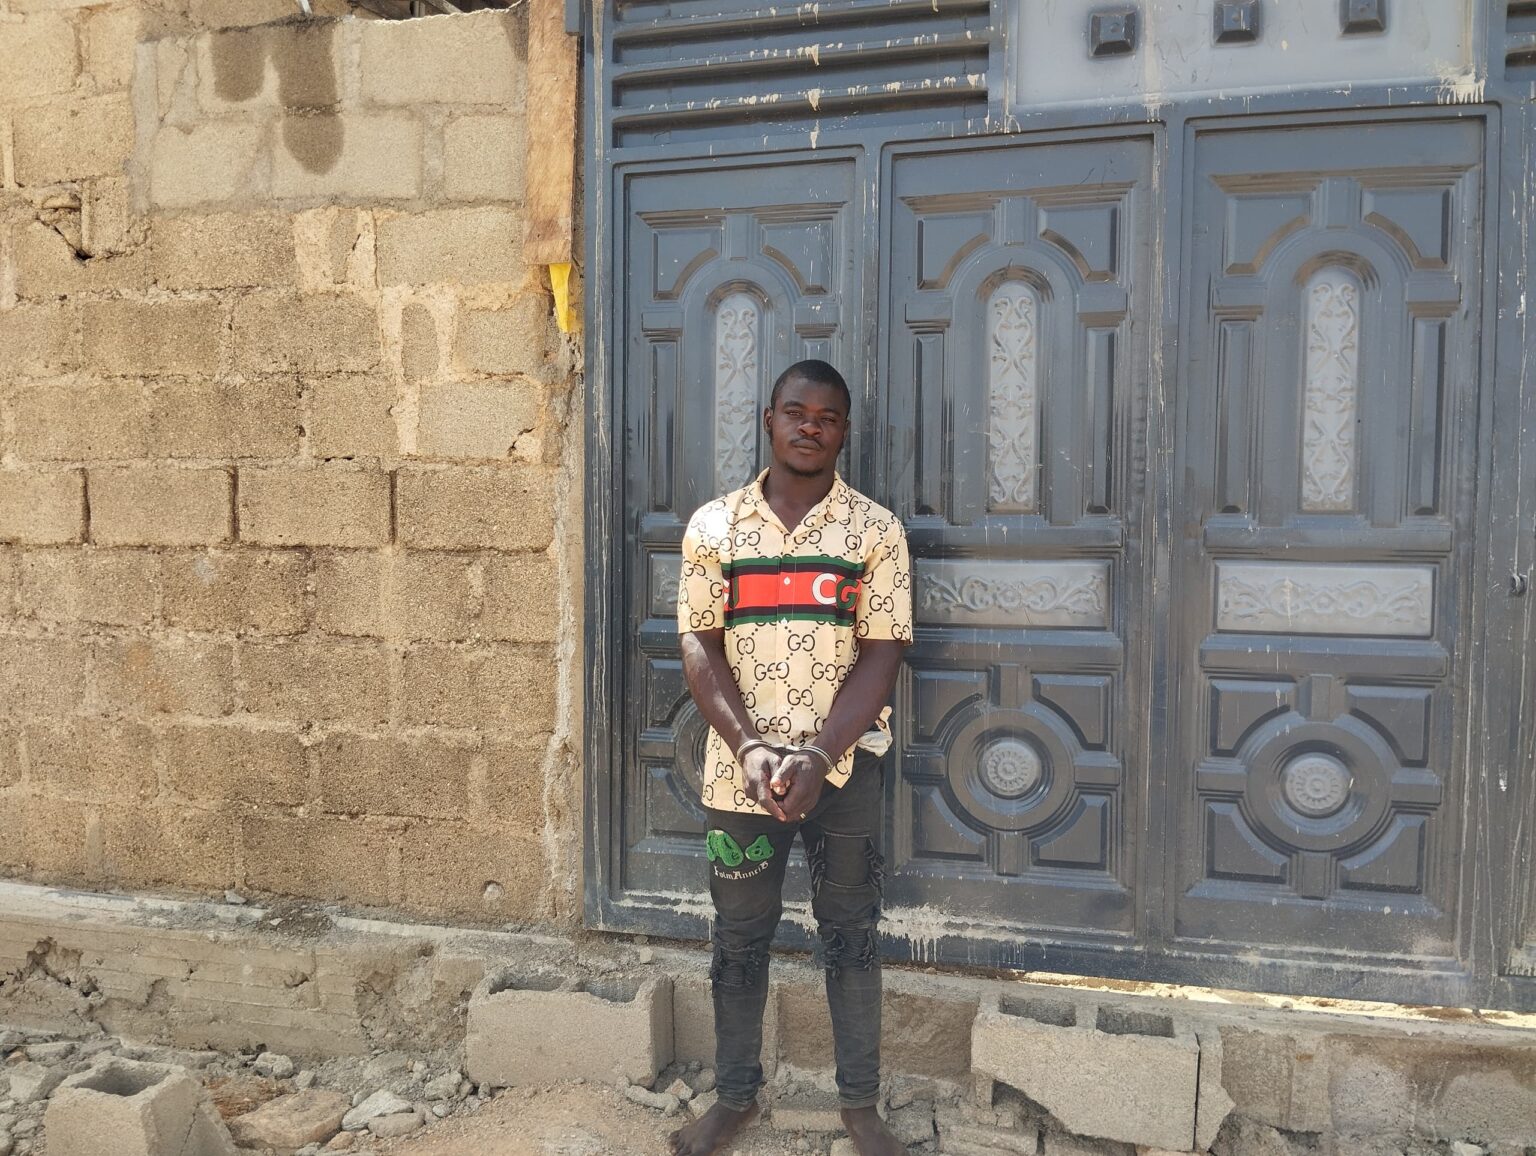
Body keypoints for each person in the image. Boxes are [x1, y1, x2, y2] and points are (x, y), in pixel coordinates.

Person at [668, 359, 913, 1156]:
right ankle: (734, 1100)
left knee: (851, 934)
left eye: (828, 417)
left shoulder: (875, 531)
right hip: (737, 775)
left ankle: (860, 1109)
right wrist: (748, 746)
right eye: (797, 412)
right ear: (768, 420)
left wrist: (818, 755)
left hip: (844, 773)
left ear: (845, 432)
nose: (811, 426)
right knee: (739, 938)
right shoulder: (714, 527)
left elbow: (883, 651)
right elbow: (700, 644)